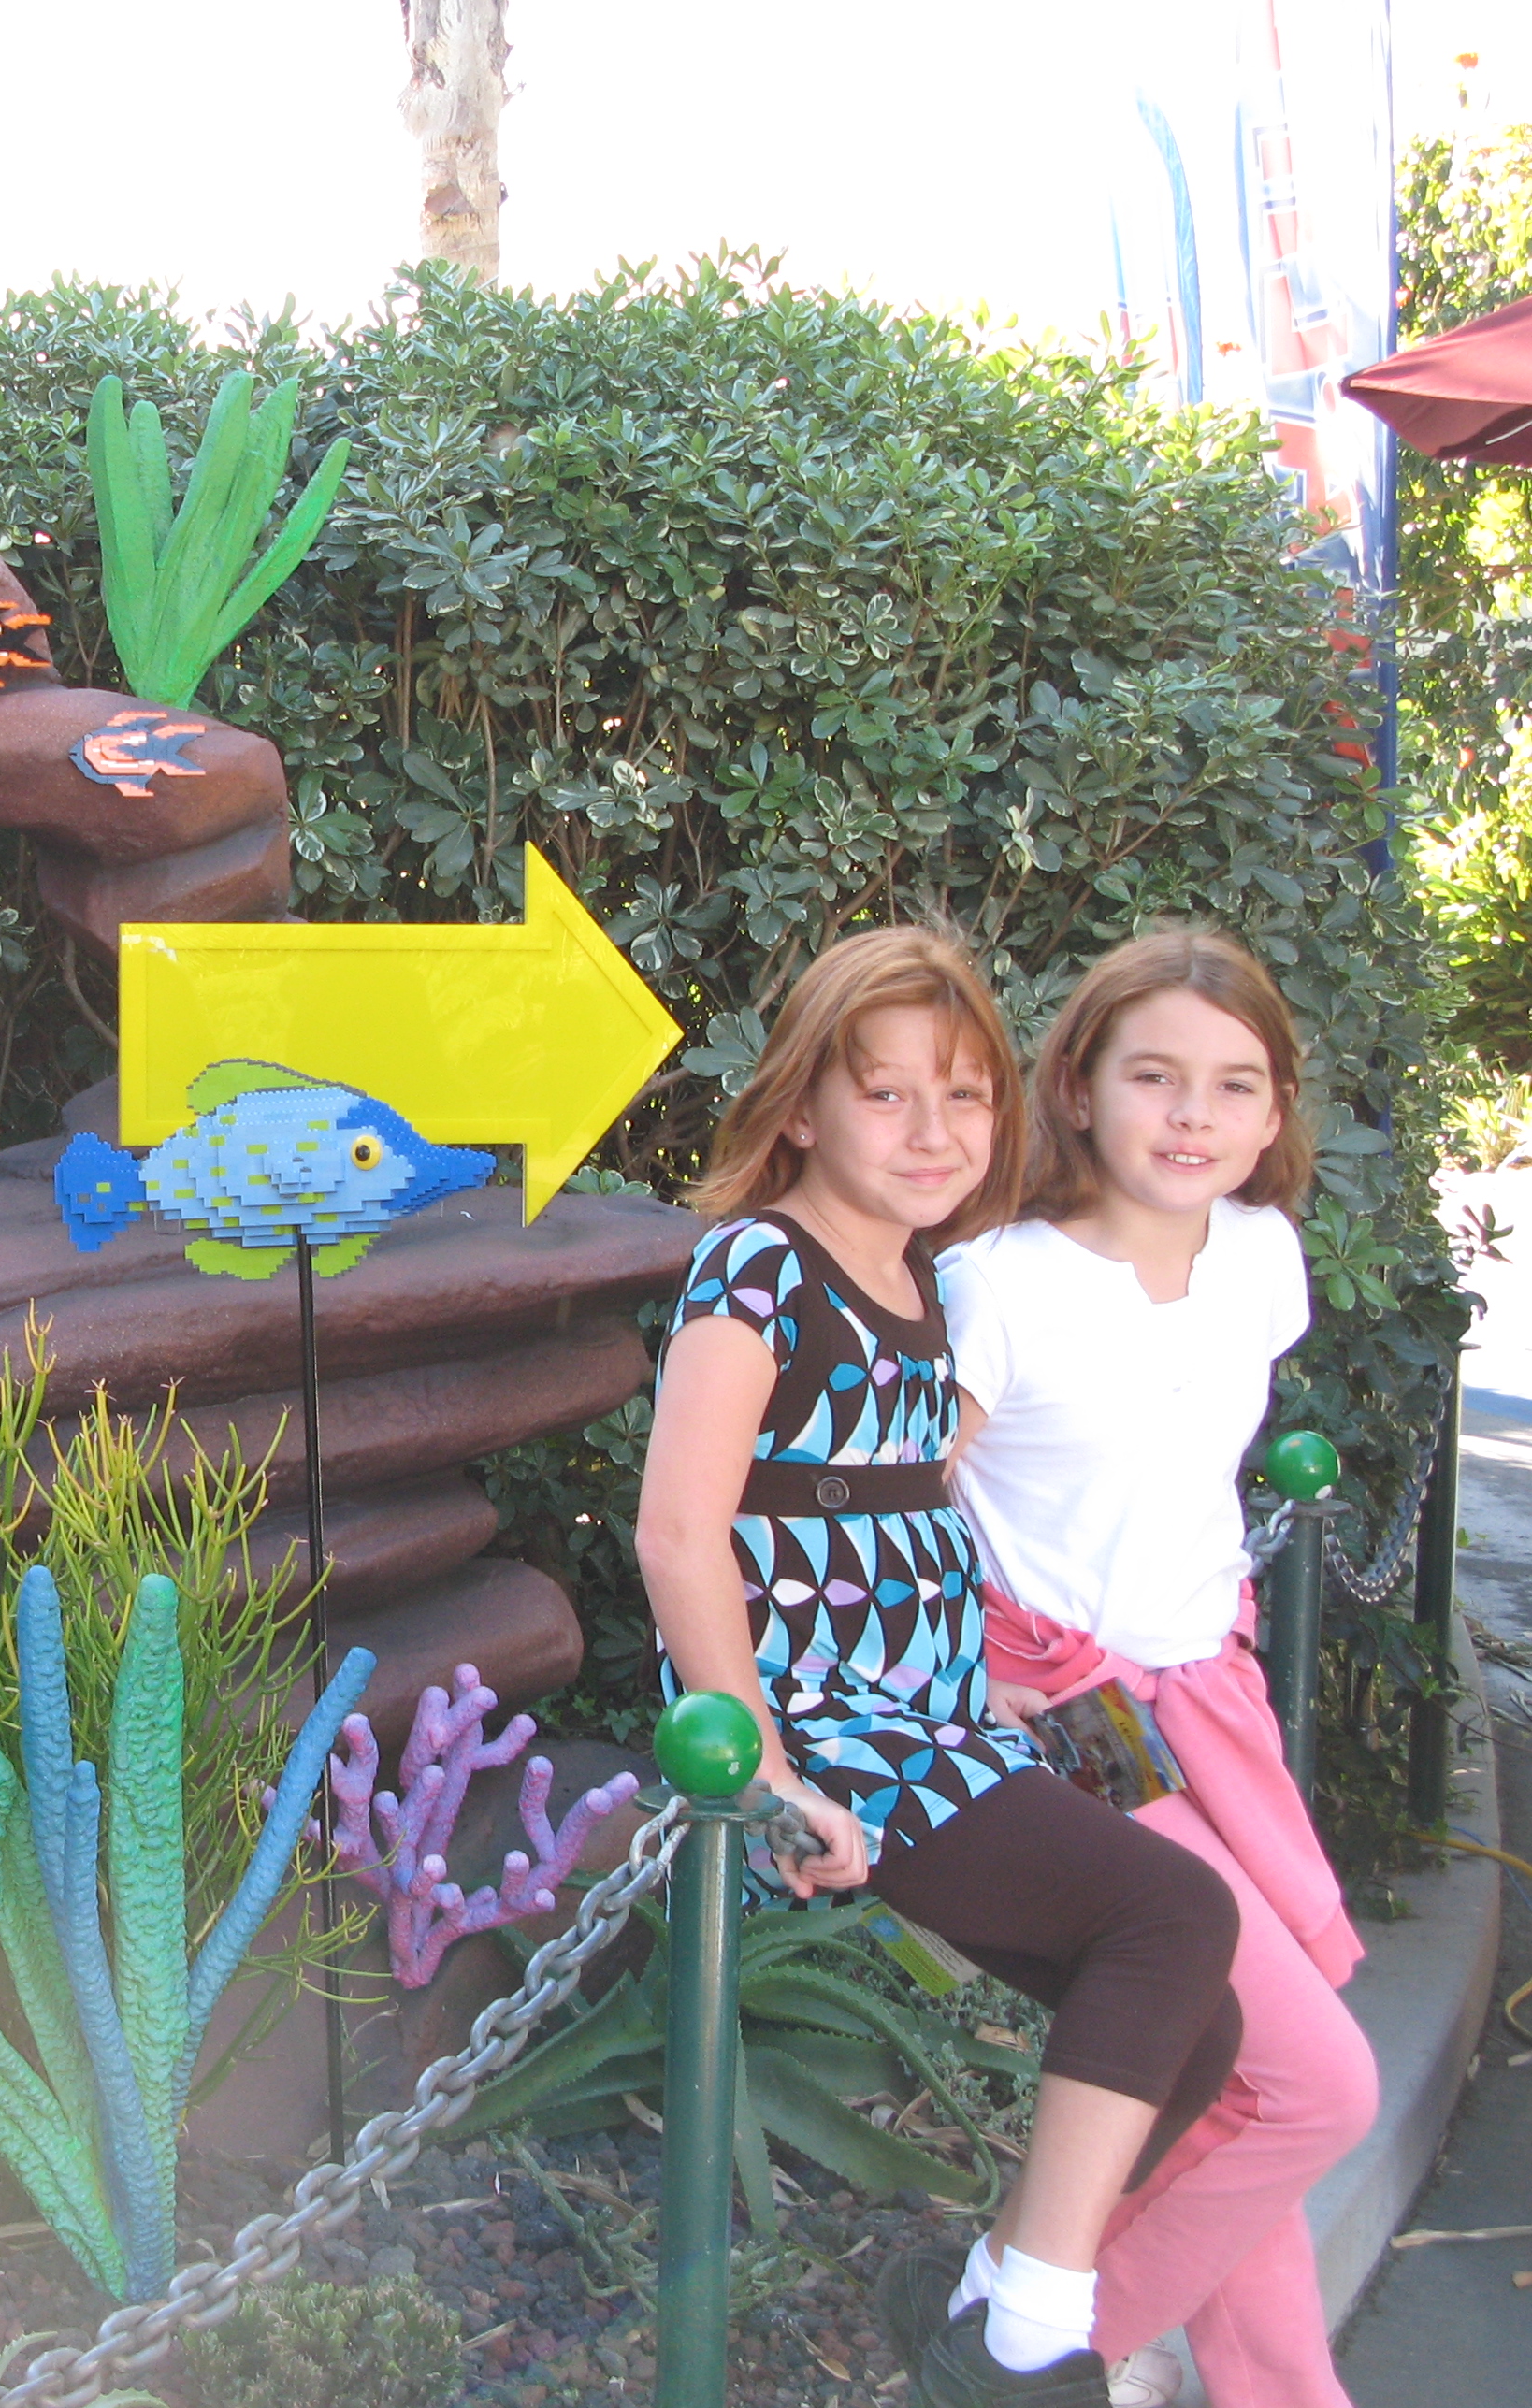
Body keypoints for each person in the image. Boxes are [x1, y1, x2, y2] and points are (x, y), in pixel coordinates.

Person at [636, 926, 1248, 2408]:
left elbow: (891, 1520)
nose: (933, 1132)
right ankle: (1026, 2344)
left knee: (1200, 2025)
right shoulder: (760, 1267)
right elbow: (678, 1531)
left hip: (927, 1712)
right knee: (1173, 1916)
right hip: (825, 1732)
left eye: (965, 1097)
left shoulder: (911, 1277)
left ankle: (983, 2305)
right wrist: (764, 1764)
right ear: (800, 1107)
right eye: (887, 1095)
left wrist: (976, 1681)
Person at [935, 931, 1377, 2408]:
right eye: (1155, 1077)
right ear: (1078, 1088)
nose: (1193, 1115)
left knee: (1240, 2075)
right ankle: (1014, 2357)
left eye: (1234, 1084)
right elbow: (893, 1507)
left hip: (1215, 1702)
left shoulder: (1261, 1258)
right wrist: (965, 1666)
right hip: (1085, 1724)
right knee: (1316, 2086)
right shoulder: (998, 1284)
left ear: (1276, 1110)